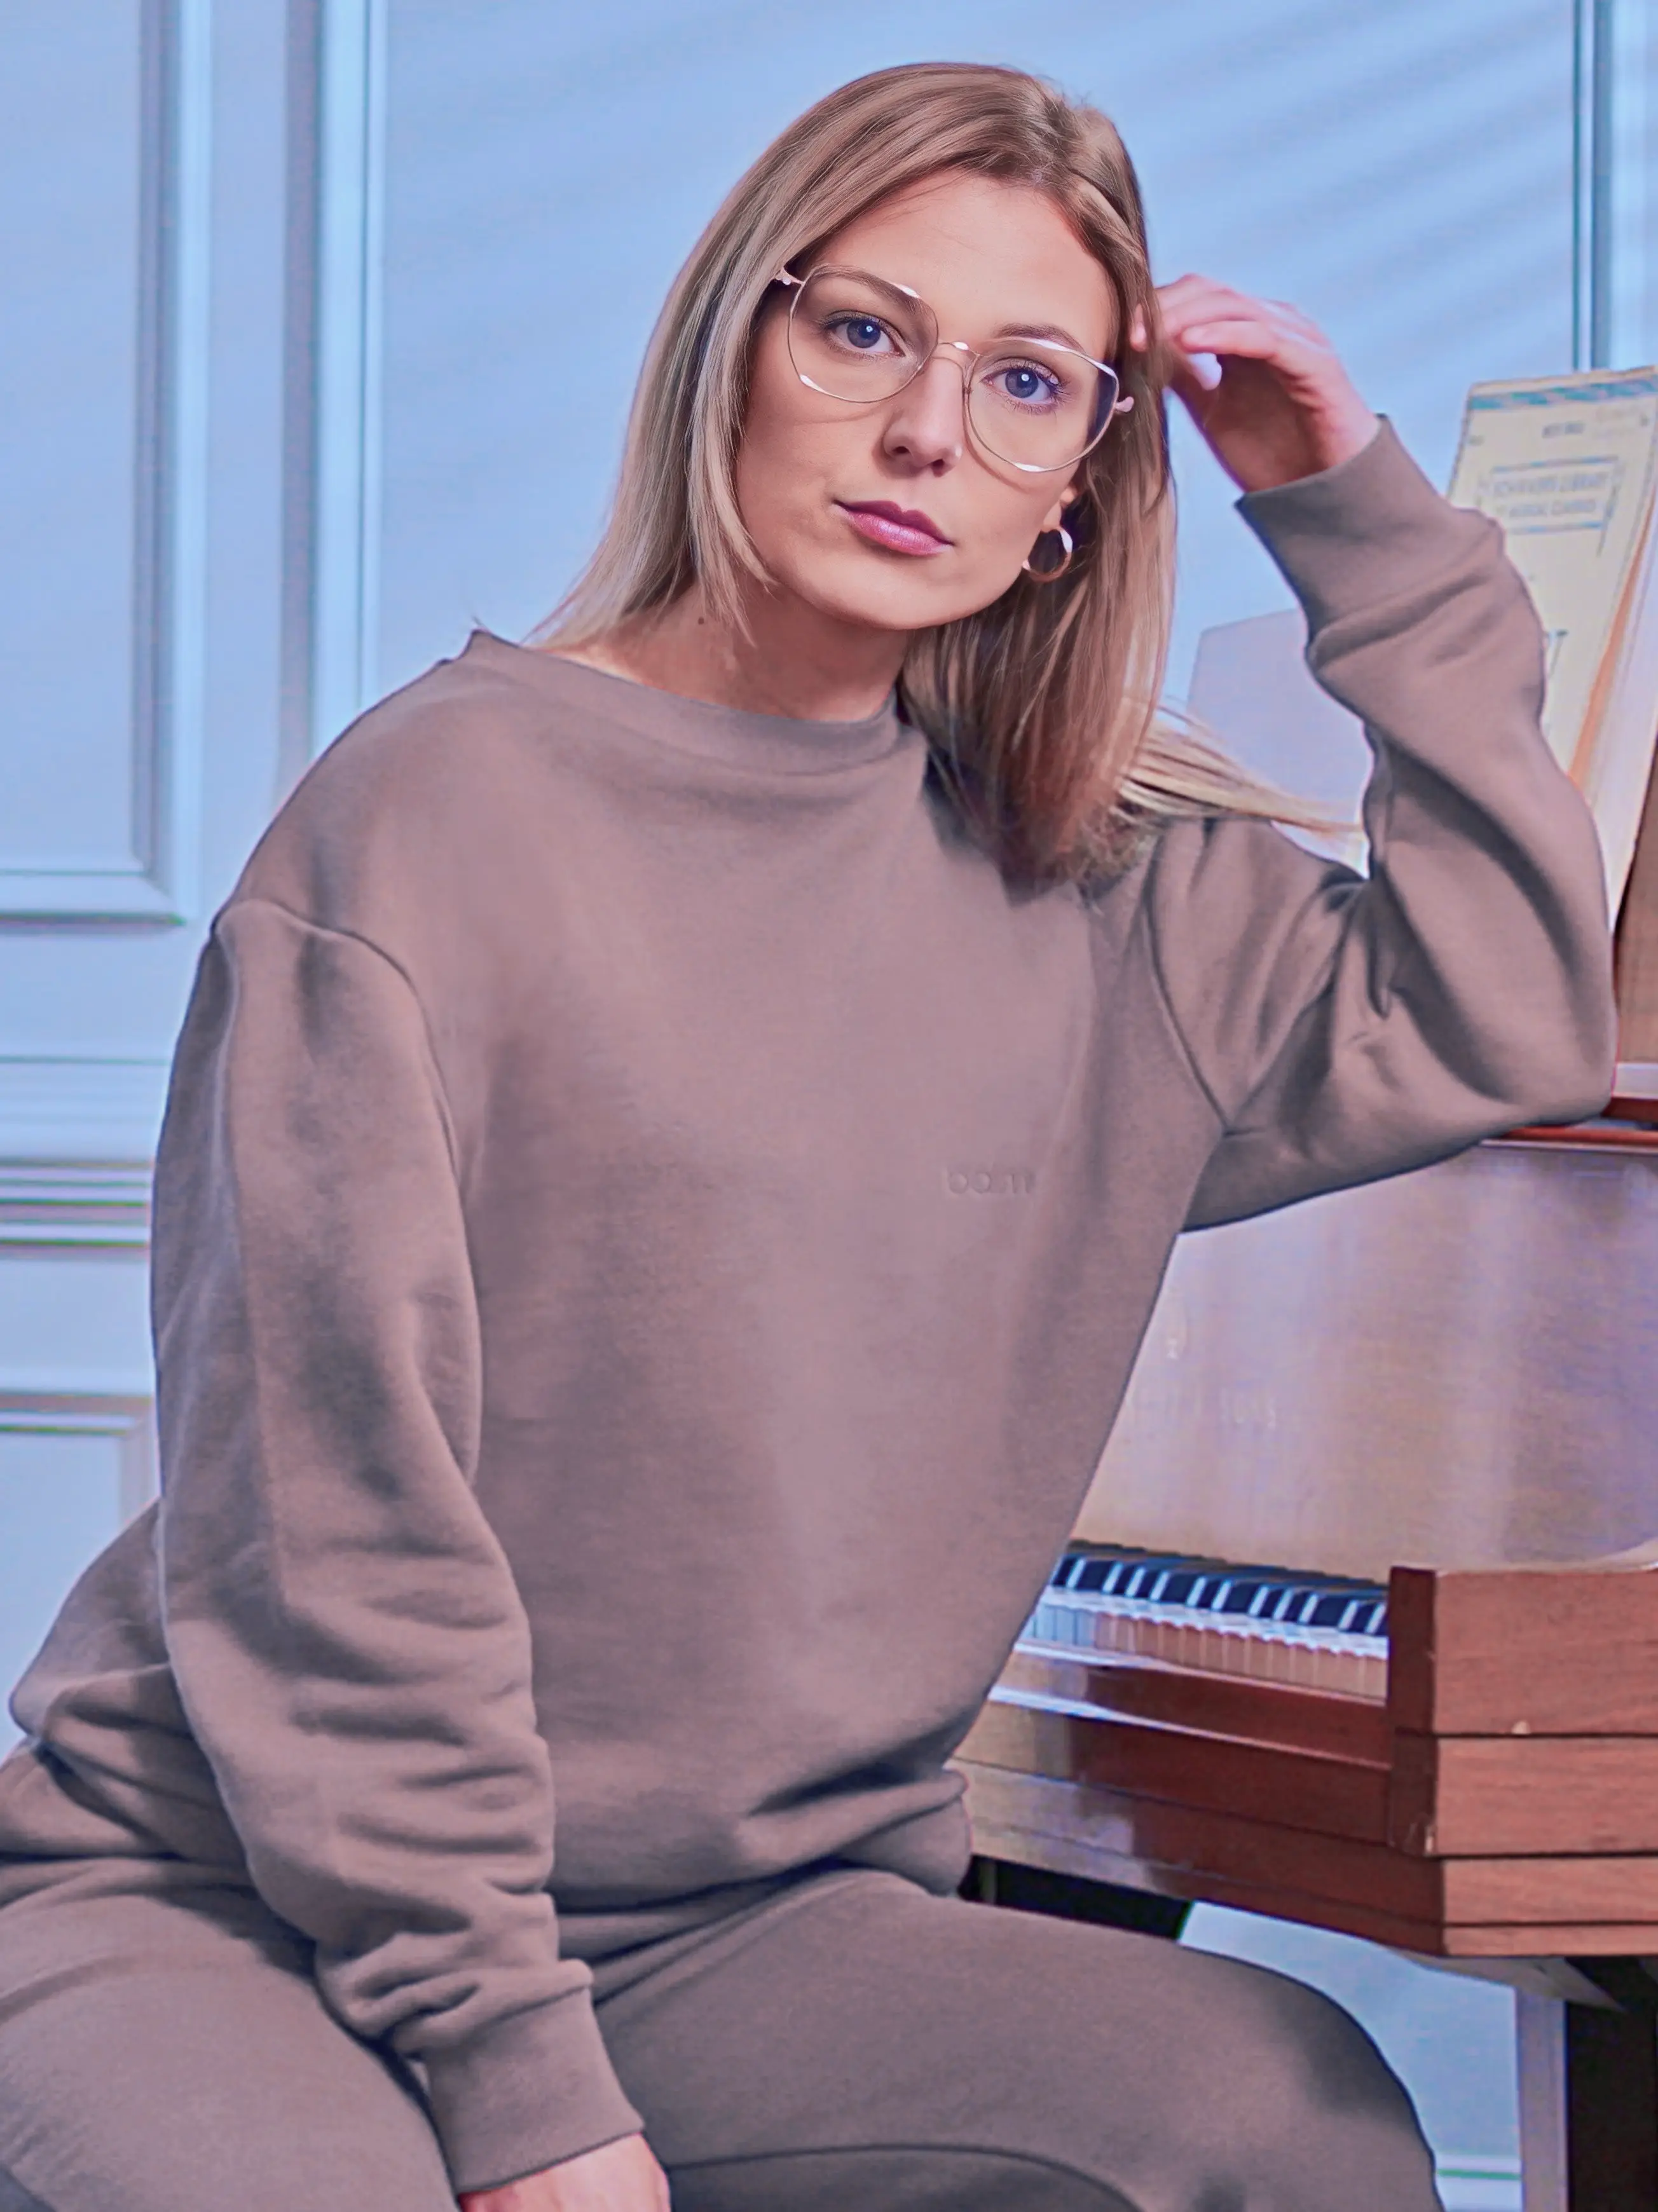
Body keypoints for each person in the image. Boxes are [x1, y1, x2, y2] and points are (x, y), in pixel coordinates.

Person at [0, 58, 1615, 2212]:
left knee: (1279, 2122)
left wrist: (1357, 519)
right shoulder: (430, 824)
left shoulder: (1103, 888)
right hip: (234, 1909)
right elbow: (330, 1534)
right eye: (865, 330)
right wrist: (524, 2101)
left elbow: (1514, 1011)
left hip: (726, 1936)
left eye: (1029, 381)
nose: (928, 431)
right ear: (731, 349)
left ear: (1079, 481)